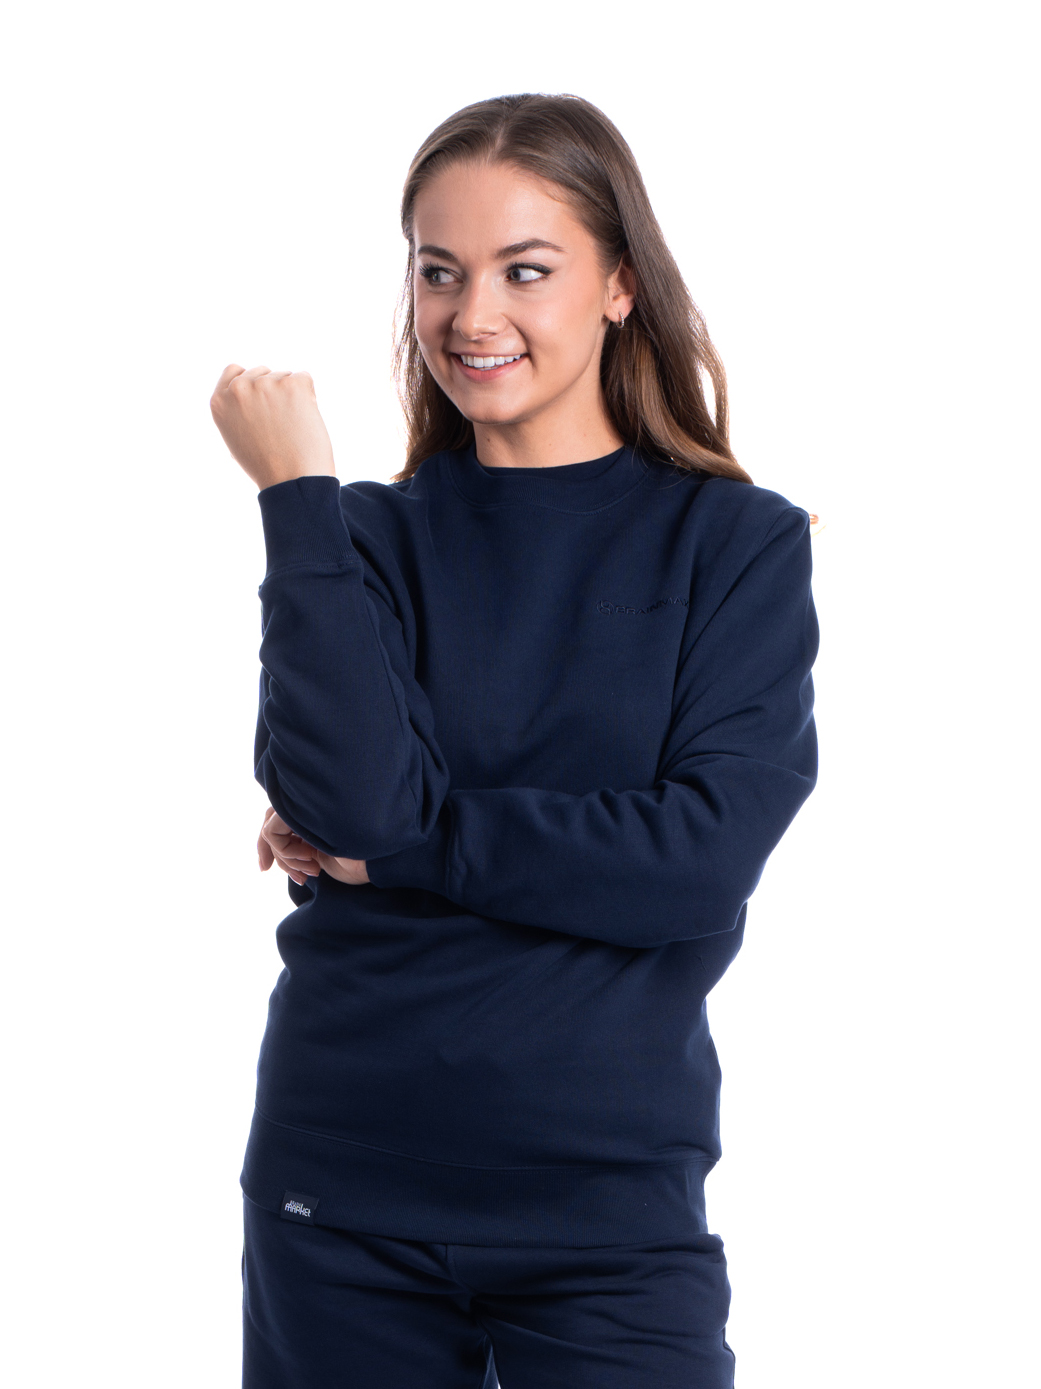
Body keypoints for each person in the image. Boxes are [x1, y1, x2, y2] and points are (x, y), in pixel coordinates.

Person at [209, 91, 819, 1389]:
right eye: (439, 272)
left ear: (619, 285)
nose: (470, 315)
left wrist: (409, 843)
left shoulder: (736, 545)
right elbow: (351, 804)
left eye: (523, 271)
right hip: (340, 1191)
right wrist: (296, 499)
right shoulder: (360, 538)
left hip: (606, 1213)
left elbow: (695, 863)